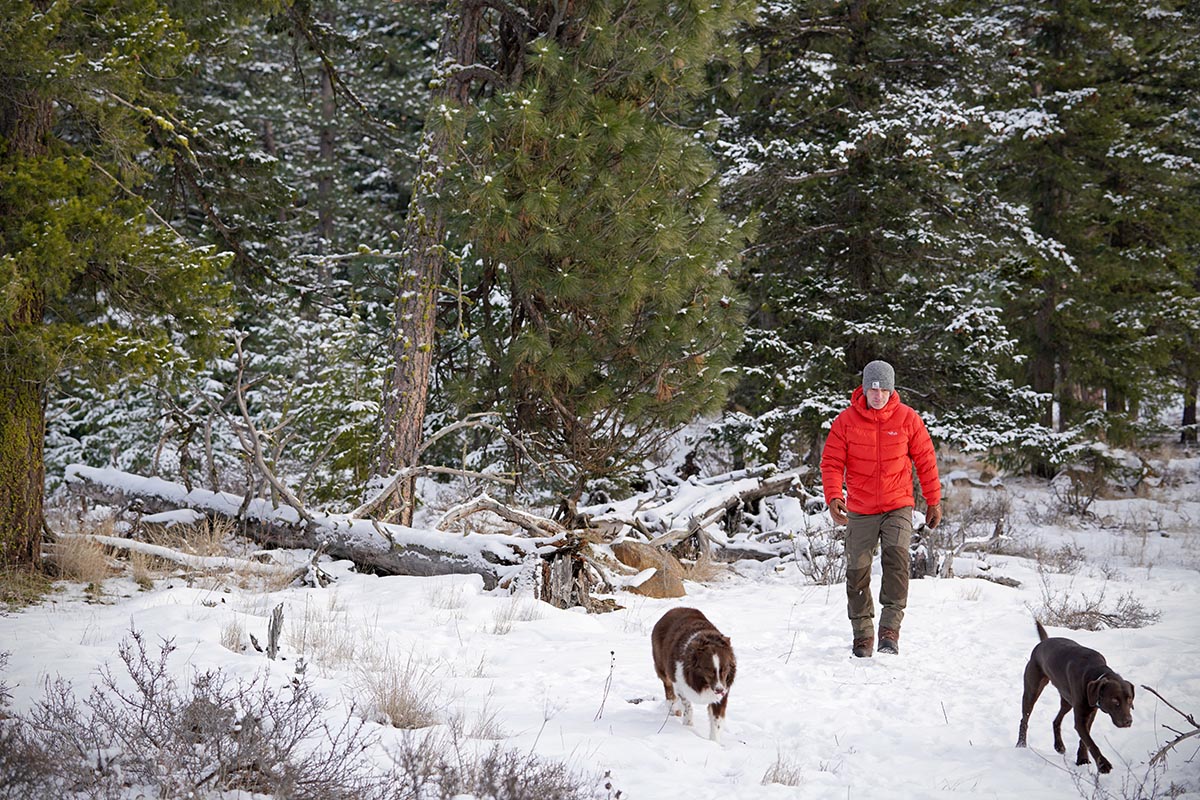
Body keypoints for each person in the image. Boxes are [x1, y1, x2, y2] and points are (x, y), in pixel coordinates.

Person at [819, 360, 942, 658]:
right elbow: (832, 463)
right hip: (860, 508)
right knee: (857, 570)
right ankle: (862, 634)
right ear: (864, 389)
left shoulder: (907, 419)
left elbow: (926, 460)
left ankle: (890, 630)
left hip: (897, 504)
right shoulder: (846, 421)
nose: (878, 395)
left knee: (897, 561)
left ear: (891, 389)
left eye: (883, 389)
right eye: (872, 389)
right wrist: (834, 496)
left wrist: (933, 500)